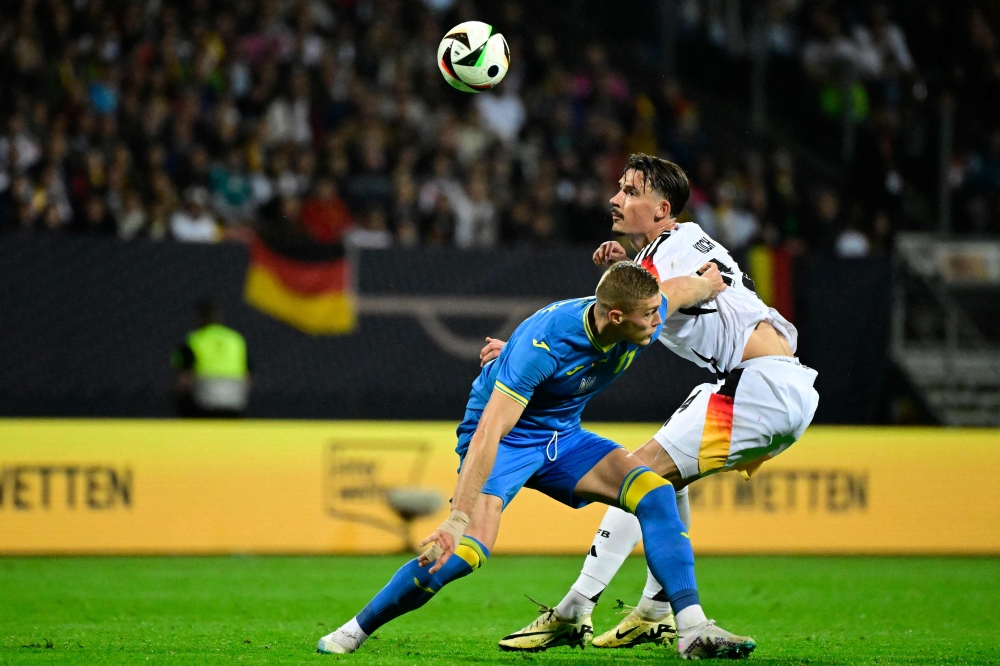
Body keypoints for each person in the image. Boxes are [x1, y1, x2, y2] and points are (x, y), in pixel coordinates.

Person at [318, 261, 757, 660]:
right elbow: (491, 431)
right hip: (504, 441)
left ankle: (692, 628)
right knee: (464, 551)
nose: (659, 321)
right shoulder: (544, 343)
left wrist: (709, 283)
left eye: (657, 310)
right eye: (650, 316)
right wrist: (456, 518)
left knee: (656, 492)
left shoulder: (643, 309)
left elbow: (680, 290)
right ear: (617, 317)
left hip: (562, 436)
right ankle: (355, 630)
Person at [483, 154, 819, 651]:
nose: (616, 199)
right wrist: (628, 263)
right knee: (661, 482)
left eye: (631, 191)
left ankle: (576, 610)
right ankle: (655, 612)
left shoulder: (675, 248)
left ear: (663, 208)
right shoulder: (672, 246)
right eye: (619, 187)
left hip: (760, 388)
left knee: (635, 475)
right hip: (774, 386)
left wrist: (518, 350)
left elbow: (625, 315)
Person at [172, 299, 251, 418]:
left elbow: (183, 374)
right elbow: (248, 377)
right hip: (234, 402)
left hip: (203, 404)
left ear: (198, 318)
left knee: (181, 385)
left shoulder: (195, 339)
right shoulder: (235, 339)